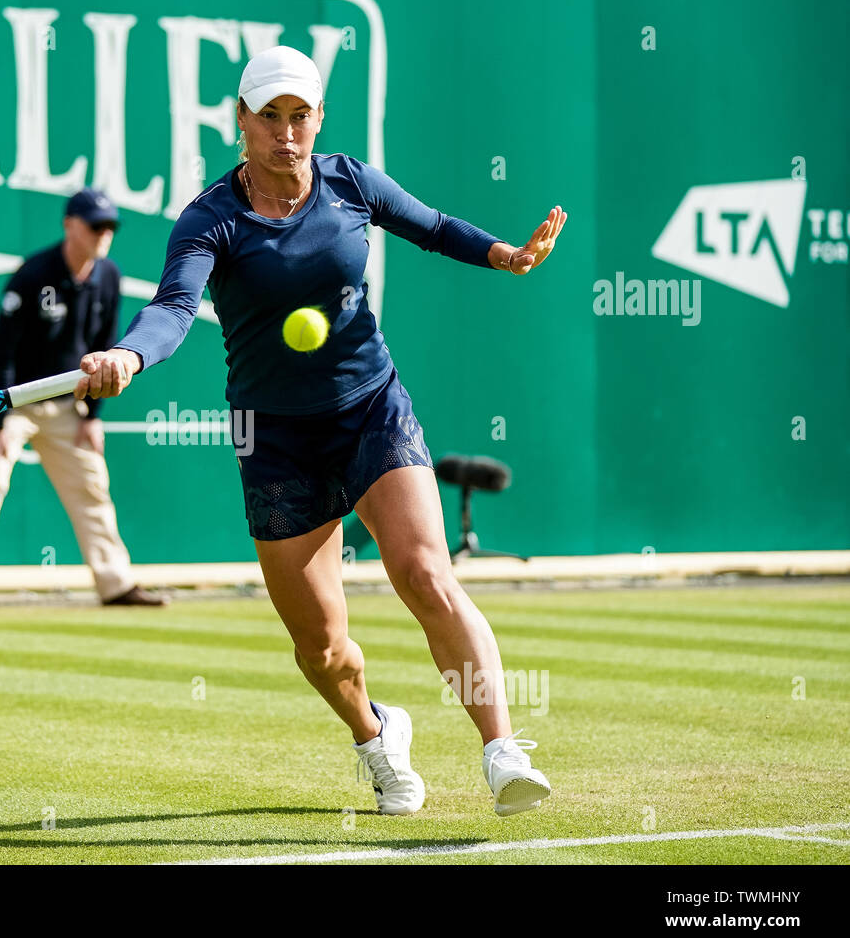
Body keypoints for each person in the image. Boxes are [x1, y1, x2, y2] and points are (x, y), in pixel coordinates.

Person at [73, 47, 567, 816]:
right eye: (268, 116)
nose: (285, 132)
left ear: (318, 119)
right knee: (323, 646)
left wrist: (503, 254)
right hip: (273, 437)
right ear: (241, 121)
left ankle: (502, 750)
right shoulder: (211, 219)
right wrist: (130, 354)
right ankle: (377, 737)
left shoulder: (350, 182)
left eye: (299, 114)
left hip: (371, 406)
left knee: (426, 573)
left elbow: (430, 225)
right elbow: (173, 308)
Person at [0, 188, 167, 611]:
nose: (104, 234)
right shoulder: (33, 273)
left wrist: (92, 416)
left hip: (67, 402)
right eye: (95, 226)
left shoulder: (109, 276)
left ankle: (116, 584)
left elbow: (106, 346)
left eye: (110, 227)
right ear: (69, 226)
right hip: (10, 400)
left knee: (91, 486)